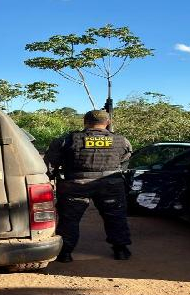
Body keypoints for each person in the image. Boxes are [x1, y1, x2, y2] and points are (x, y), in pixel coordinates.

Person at [44, 110, 133, 262]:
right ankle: (121, 250)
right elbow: (125, 159)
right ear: (108, 123)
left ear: (85, 122)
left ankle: (65, 253)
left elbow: (50, 165)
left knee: (69, 219)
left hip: (75, 185)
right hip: (110, 185)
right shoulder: (121, 140)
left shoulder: (67, 139)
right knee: (116, 217)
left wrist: (50, 179)